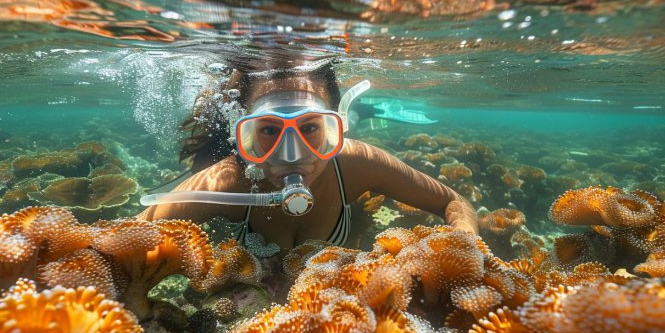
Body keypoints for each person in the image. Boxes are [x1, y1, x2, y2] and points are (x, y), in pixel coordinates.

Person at [138, 58, 477, 249]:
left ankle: (366, 111)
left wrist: (461, 251)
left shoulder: (358, 163)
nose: (292, 155)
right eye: (269, 130)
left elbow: (453, 201)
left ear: (333, 127)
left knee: (354, 119)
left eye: (311, 127)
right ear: (243, 131)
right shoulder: (224, 183)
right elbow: (134, 231)